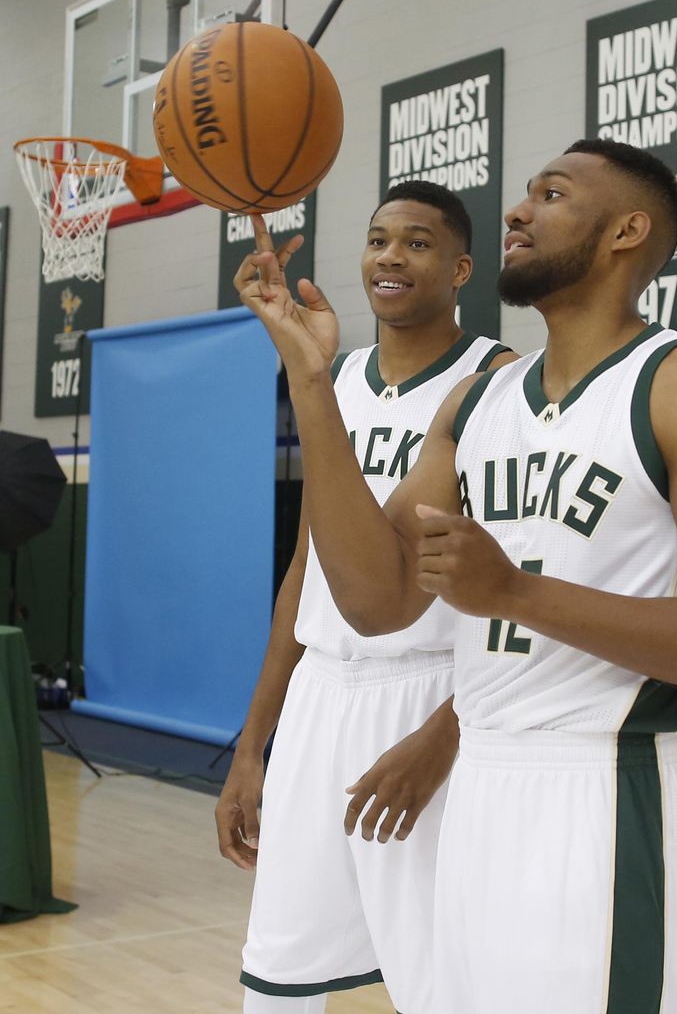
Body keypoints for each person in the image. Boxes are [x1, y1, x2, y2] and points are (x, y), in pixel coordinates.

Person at [236, 139, 677, 1014]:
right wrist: (311, 380)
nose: (517, 211)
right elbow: (375, 599)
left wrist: (513, 595)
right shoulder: (477, 406)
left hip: (611, 789)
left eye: (551, 194)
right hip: (482, 794)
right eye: (525, 195)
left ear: (627, 231)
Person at [218, 180, 516, 1014]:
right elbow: (305, 572)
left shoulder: (499, 385)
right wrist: (254, 745)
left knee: (443, 978)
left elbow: (525, 590)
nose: (390, 255)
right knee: (279, 967)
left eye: (417, 243)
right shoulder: (334, 376)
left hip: (431, 694)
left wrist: (446, 734)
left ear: (461, 269)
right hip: (322, 697)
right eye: (380, 238)